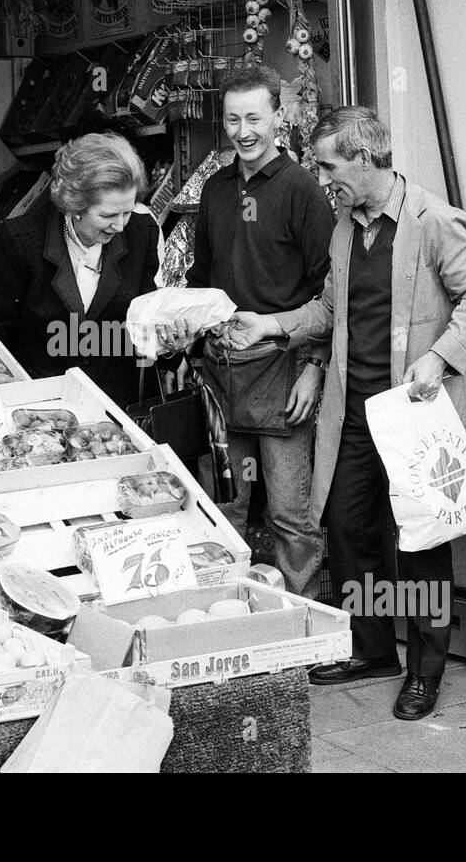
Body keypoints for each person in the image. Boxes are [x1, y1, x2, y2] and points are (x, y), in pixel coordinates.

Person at [225, 106, 466, 720]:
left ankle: (427, 670)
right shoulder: (346, 226)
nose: (322, 179)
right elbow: (330, 311)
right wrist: (271, 324)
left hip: (413, 415)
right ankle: (372, 648)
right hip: (353, 411)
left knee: (419, 540)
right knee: (347, 529)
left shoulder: (432, 221)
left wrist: (440, 358)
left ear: (365, 158)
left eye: (328, 165)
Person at [176, 64, 335, 601]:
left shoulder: (302, 191)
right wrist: (187, 332)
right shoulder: (217, 191)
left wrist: (314, 368)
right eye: (232, 119)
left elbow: (329, 293)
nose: (243, 131)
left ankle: (306, 626)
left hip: (282, 374)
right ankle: (228, 624)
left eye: (254, 118)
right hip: (221, 377)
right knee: (224, 508)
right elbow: (201, 280)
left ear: (278, 117)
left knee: (292, 516)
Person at [0, 131, 160, 407]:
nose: (120, 226)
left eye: (127, 212)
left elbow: (146, 321)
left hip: (116, 407)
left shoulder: (142, 233)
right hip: (41, 403)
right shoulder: (23, 240)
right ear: (74, 205)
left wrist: (170, 337)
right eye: (107, 215)